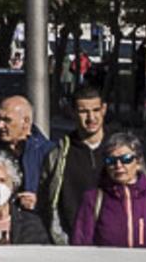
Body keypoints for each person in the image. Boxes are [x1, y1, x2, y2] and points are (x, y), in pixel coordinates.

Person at [70, 132, 146, 249]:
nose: (118, 165)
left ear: (138, 162)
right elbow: (80, 246)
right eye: (111, 161)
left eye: (126, 159)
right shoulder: (93, 199)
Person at [39, 86, 106, 244]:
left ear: (104, 109)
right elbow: (44, 197)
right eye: (83, 111)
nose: (91, 118)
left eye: (96, 110)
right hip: (70, 242)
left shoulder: (120, 151)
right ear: (72, 112)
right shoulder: (58, 153)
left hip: (112, 242)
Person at [0, 96, 51, 214]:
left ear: (26, 121)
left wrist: (39, 202)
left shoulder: (49, 153)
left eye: (7, 120)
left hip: (34, 224)